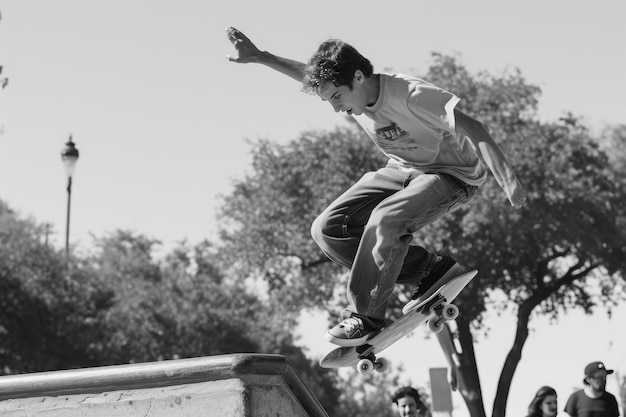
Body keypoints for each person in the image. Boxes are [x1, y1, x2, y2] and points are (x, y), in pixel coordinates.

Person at [226, 26, 526, 346]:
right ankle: (429, 270)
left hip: (453, 175)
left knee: (386, 218)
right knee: (327, 229)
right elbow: (309, 76)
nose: (337, 108)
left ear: (358, 77)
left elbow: (472, 126)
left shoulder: (410, 94)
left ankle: (366, 316)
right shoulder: (351, 92)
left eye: (337, 98)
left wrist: (508, 181)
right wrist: (261, 57)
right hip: (403, 169)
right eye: (329, 100)